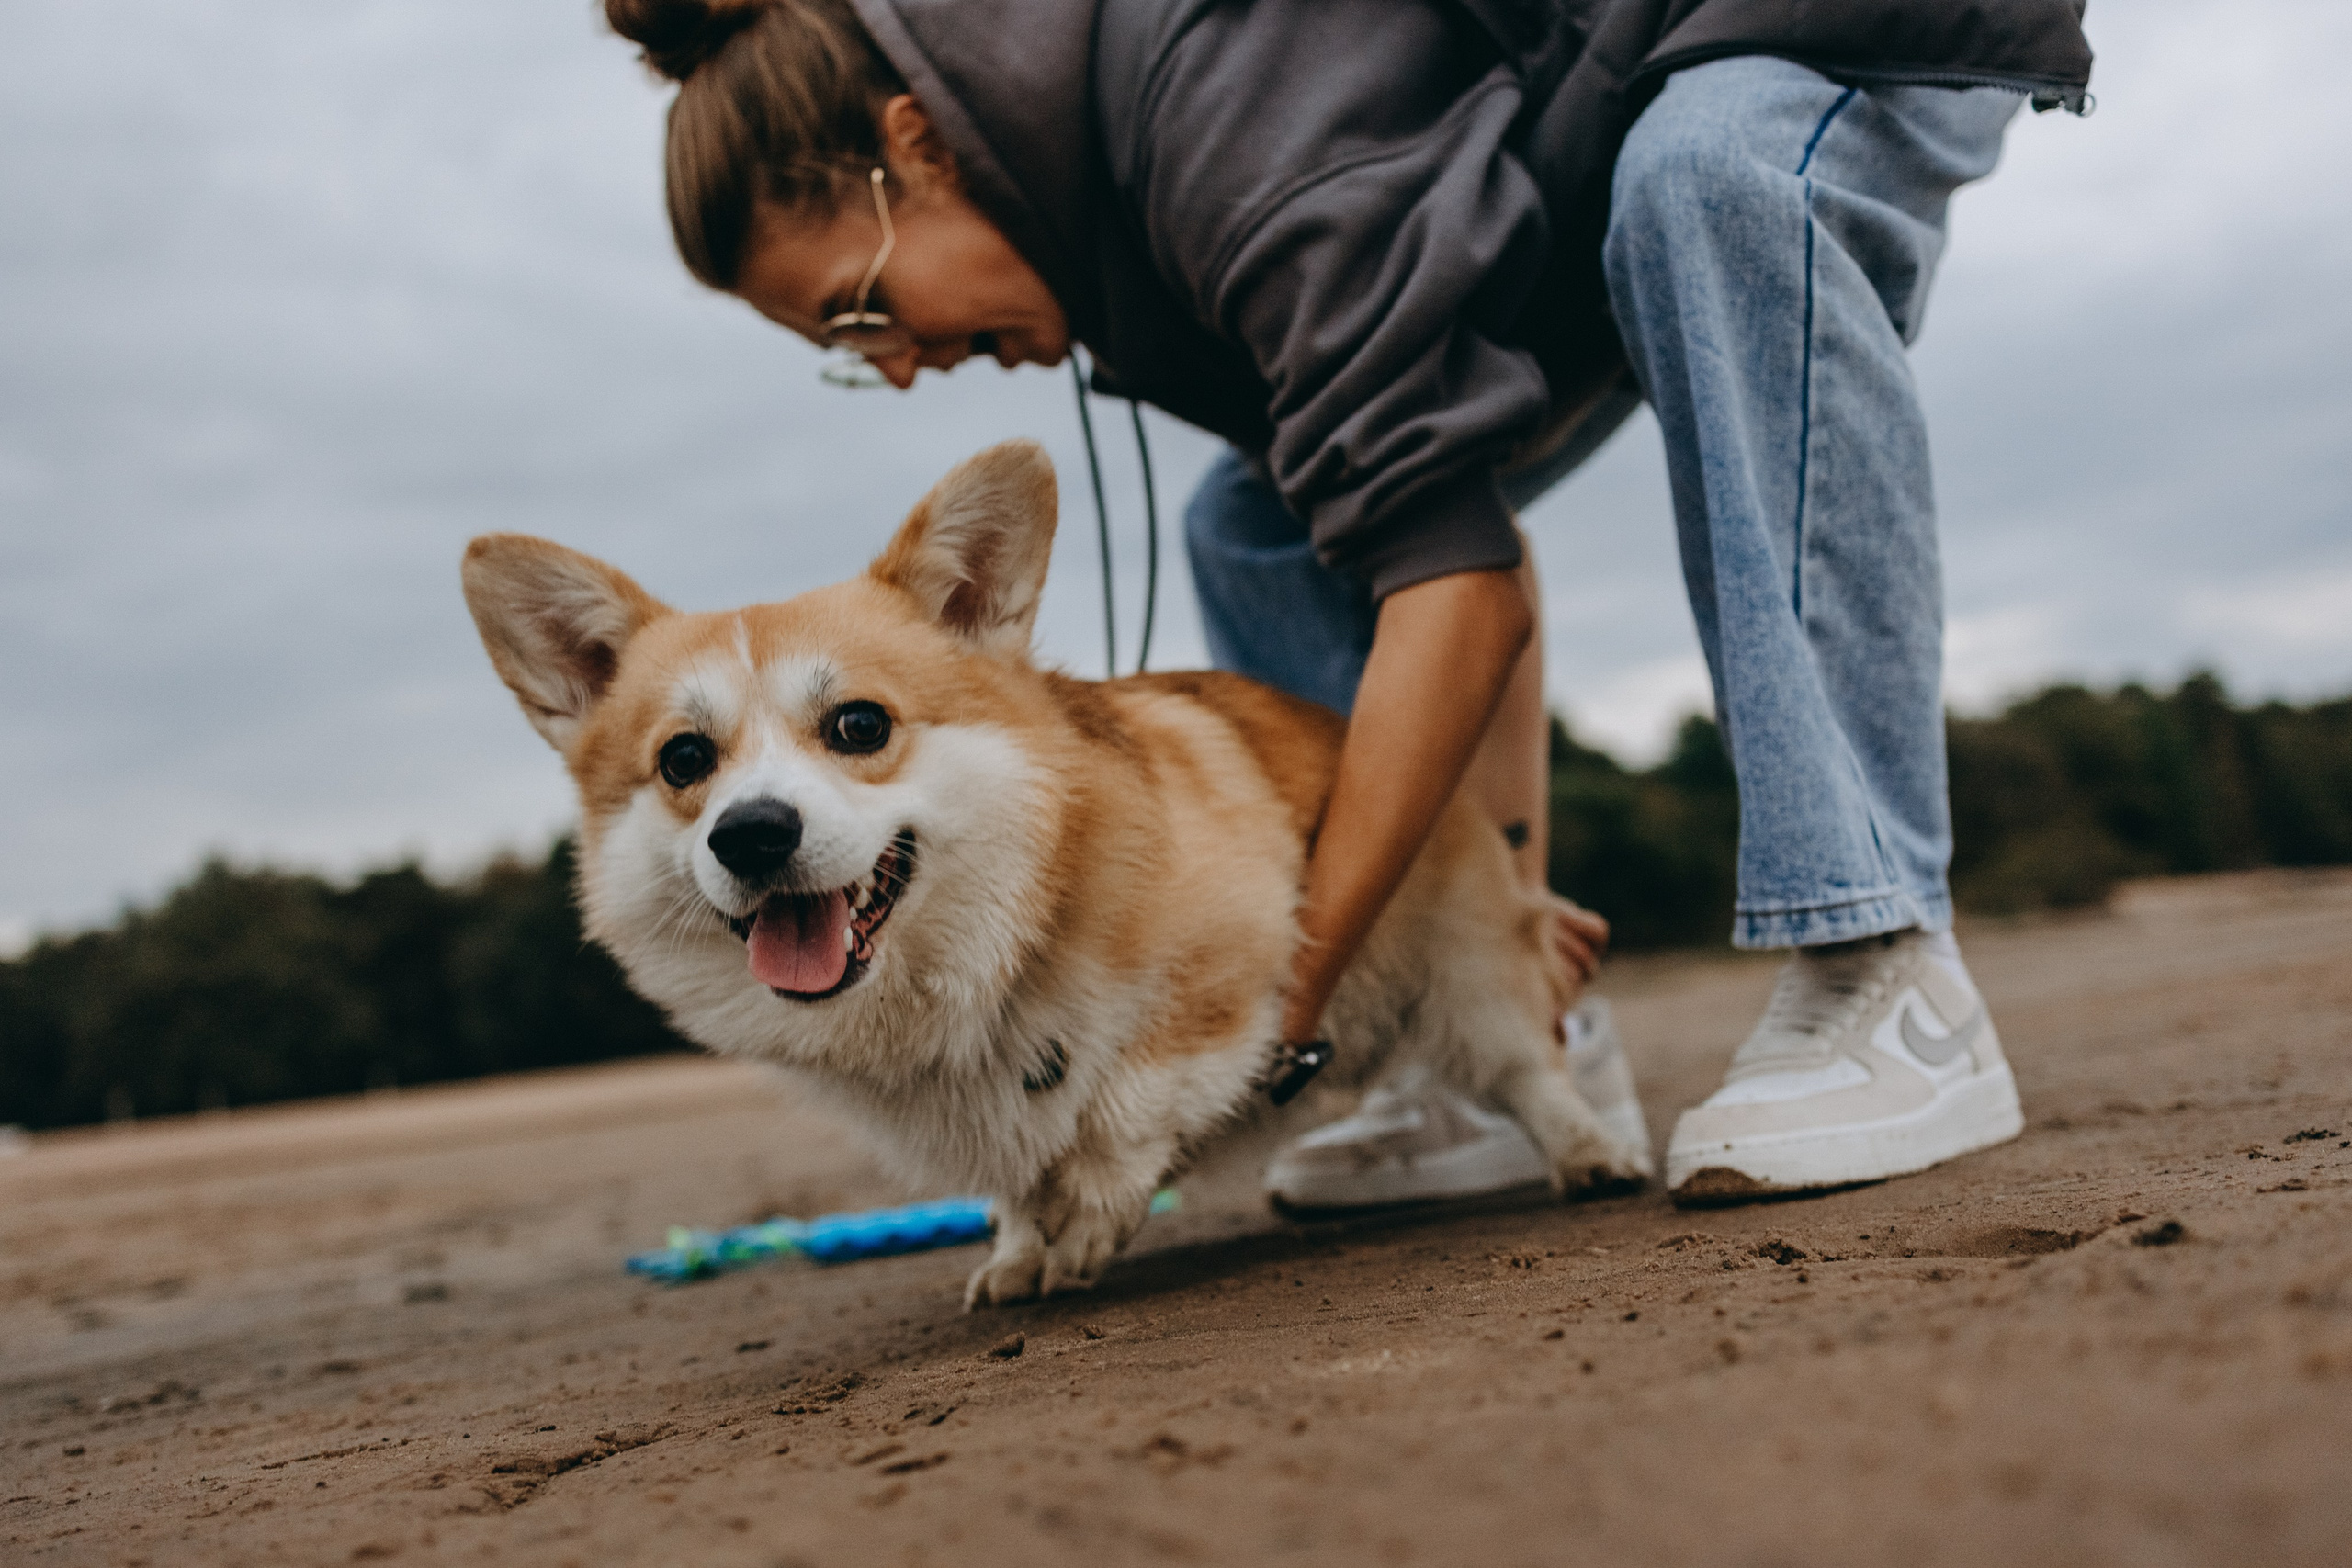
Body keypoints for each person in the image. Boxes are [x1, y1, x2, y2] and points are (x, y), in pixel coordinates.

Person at [599, 0, 2094, 1207]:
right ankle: (1500, 1056)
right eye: (845, 356)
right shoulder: (1112, 183)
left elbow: (1457, 594)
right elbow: (1437, 530)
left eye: (861, 308)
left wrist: (1282, 998)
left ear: (910, 150)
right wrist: (1504, 912)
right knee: (1261, 521)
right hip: (1575, 127)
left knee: (1708, 181)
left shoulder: (1222, 136)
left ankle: (1882, 956)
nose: (896, 366)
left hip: (1790, 27)